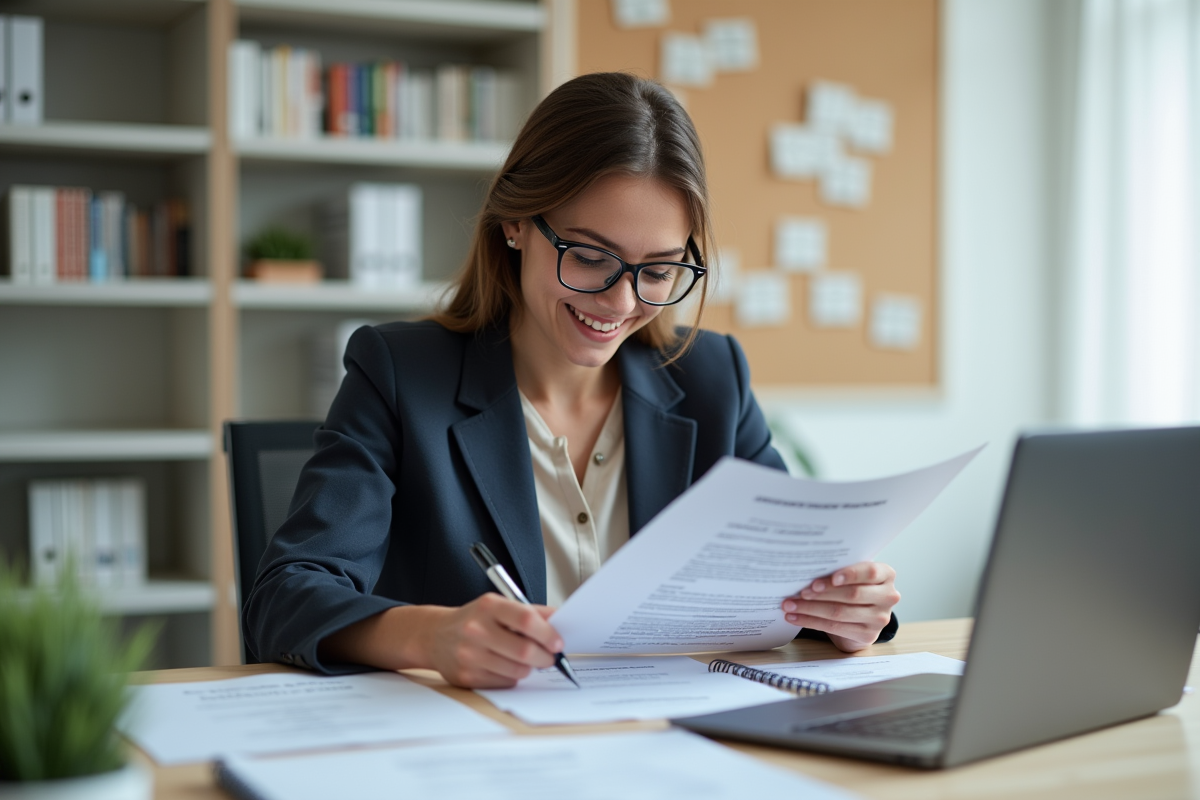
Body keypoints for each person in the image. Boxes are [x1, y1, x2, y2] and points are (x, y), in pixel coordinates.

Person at [243, 72, 900, 689]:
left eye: (660, 270)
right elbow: (284, 596)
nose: (620, 303)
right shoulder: (399, 375)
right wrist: (431, 636)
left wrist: (847, 608)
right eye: (589, 257)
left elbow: (794, 580)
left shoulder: (711, 379)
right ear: (516, 222)